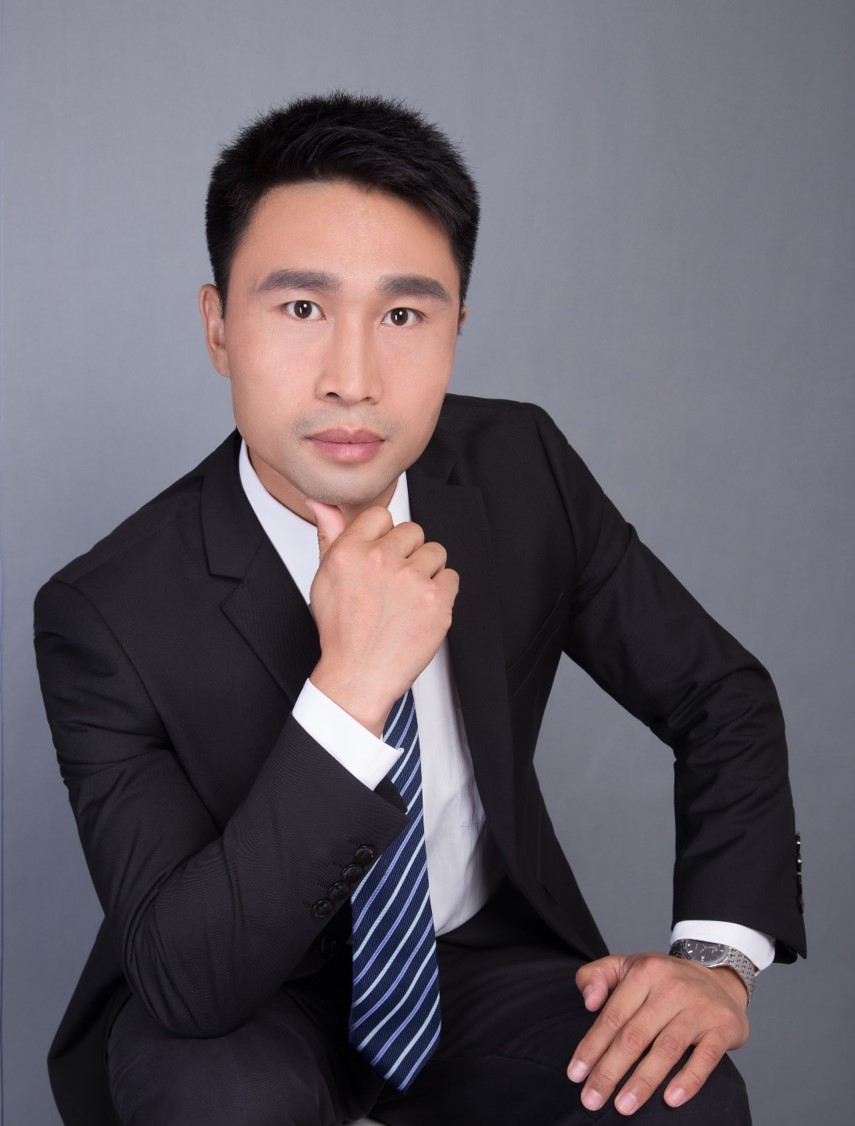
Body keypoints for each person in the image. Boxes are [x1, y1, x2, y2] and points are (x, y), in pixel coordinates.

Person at [34, 92, 805, 1126]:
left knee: (677, 1097)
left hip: (473, 960)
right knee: (222, 1100)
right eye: (300, 309)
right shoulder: (104, 612)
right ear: (218, 326)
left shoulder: (520, 467)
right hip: (237, 993)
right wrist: (350, 686)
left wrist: (717, 960)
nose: (353, 380)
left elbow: (721, 696)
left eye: (403, 315)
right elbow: (189, 979)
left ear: (455, 329)